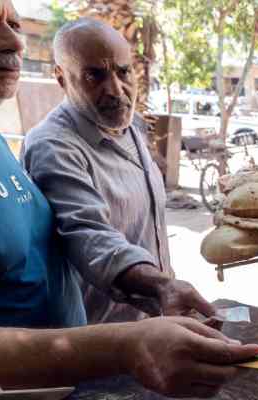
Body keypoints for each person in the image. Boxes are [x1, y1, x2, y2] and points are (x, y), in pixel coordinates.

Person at [0, 0, 258, 396]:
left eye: (15, 24)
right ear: (62, 78)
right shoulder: (49, 144)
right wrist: (126, 345)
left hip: (79, 384)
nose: (14, 42)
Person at [22, 18, 211, 323]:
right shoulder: (53, 146)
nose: (115, 90)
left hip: (156, 323)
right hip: (103, 345)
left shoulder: (130, 125)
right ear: (61, 78)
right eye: (94, 75)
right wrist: (163, 285)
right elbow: (88, 234)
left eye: (123, 72)